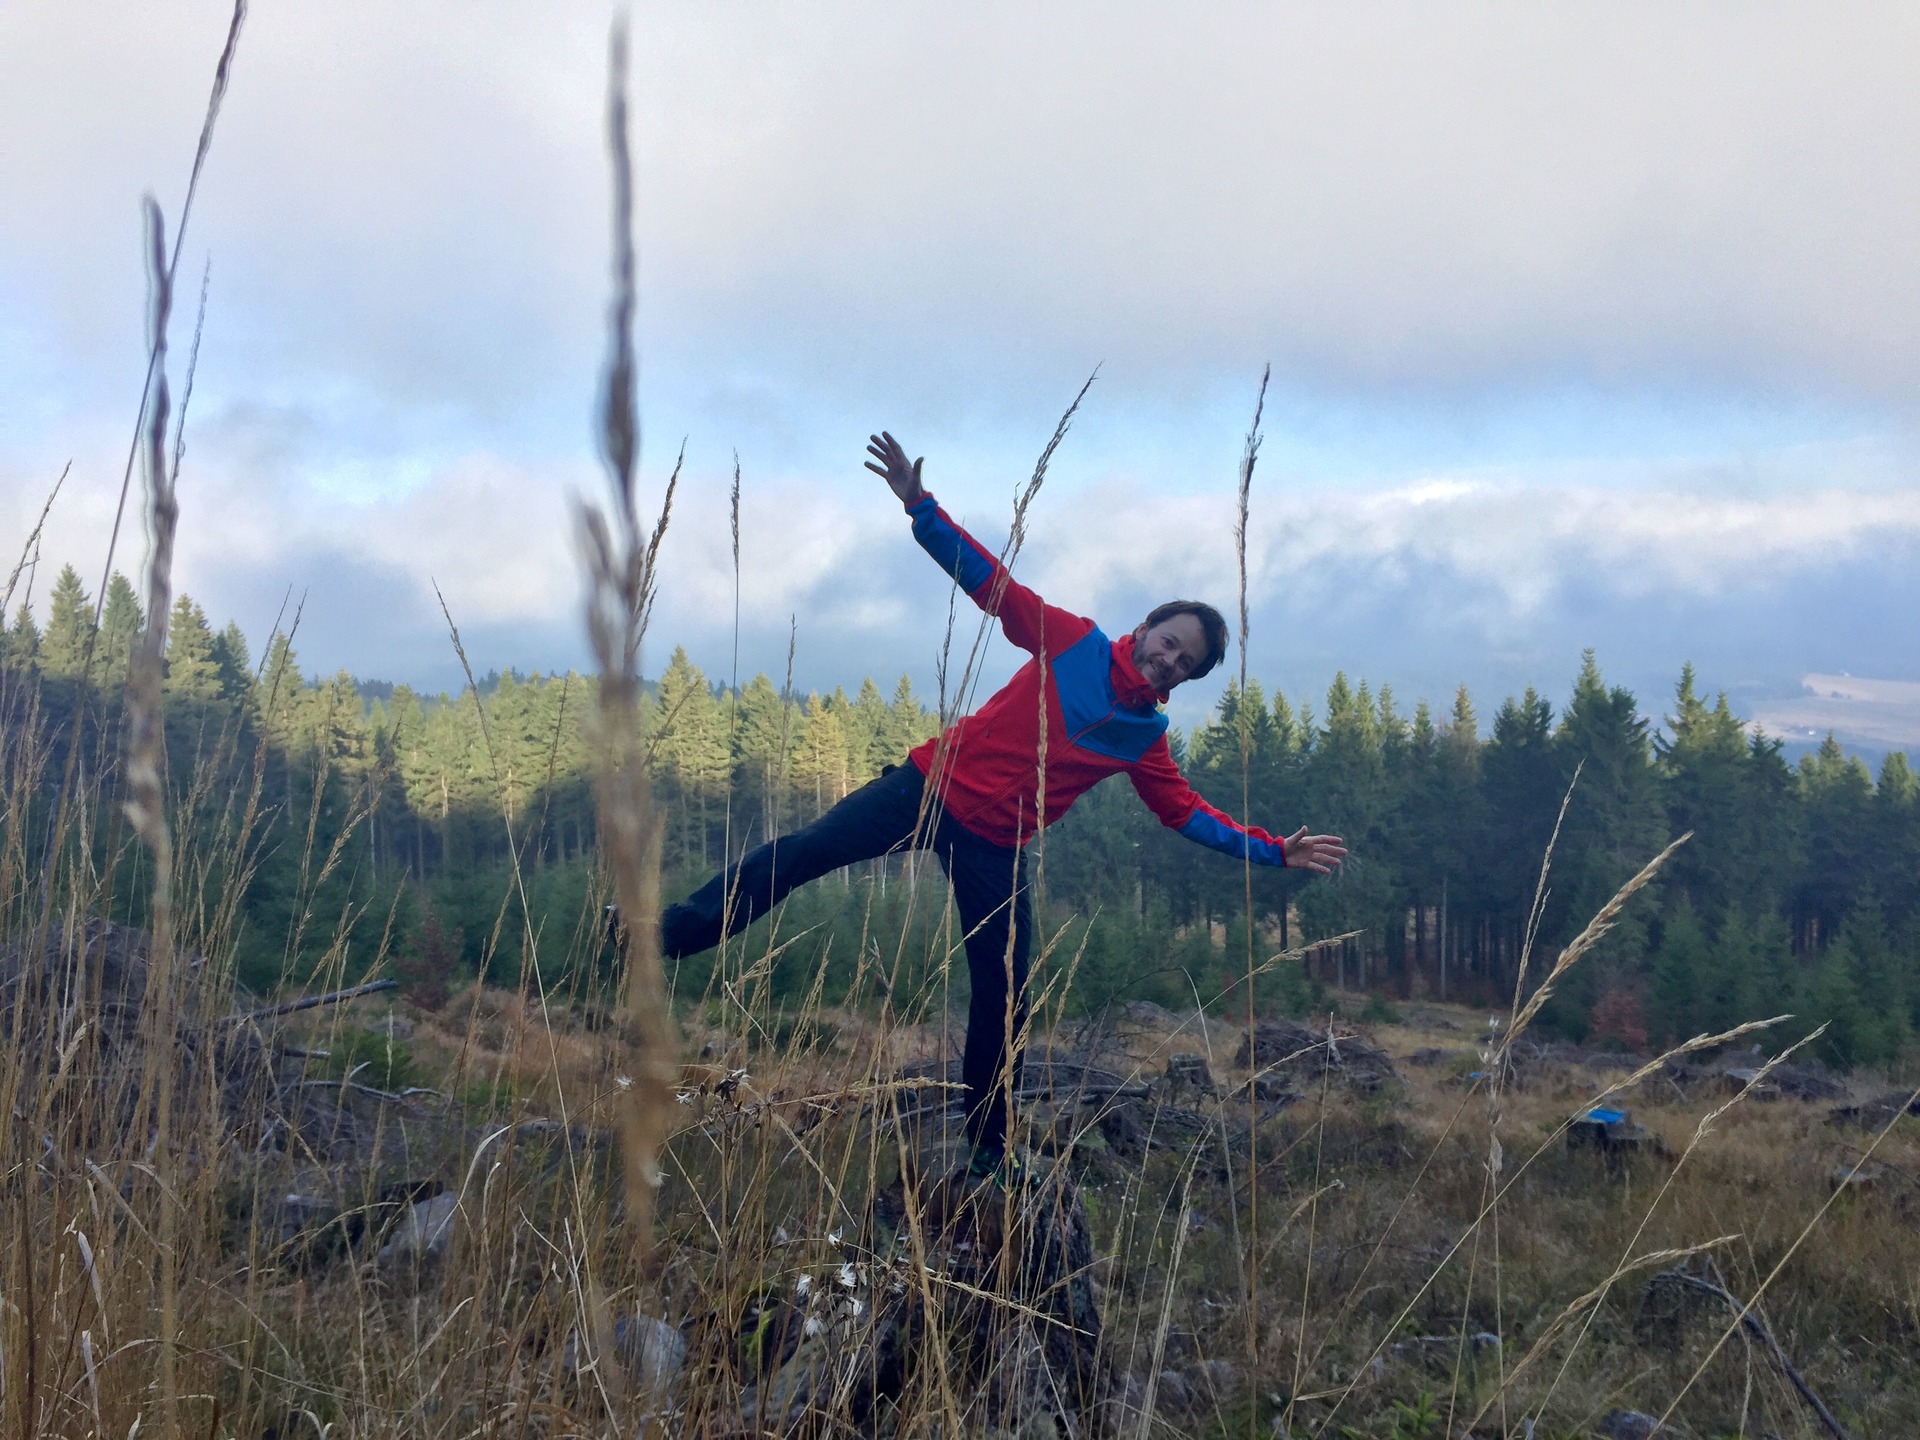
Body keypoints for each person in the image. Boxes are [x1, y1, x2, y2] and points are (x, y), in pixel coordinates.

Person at [661, 432, 1347, 1183]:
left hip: (996, 844)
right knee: (798, 856)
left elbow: (1186, 813)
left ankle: (989, 1149)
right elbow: (993, 586)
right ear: (1148, 627)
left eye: (1186, 663)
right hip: (927, 788)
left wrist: (1272, 851)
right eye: (1169, 641)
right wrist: (920, 507)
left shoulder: (1143, 738)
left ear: (1185, 679)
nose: (1169, 660)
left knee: (1006, 991)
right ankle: (665, 936)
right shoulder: (1075, 642)